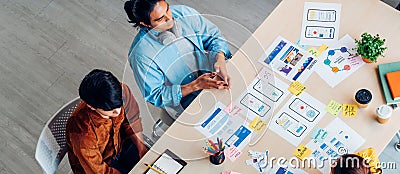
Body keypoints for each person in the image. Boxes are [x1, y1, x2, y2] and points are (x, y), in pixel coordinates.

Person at [124, 0, 232, 117]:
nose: (169, 18)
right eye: (160, 19)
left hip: (217, 78)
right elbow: (155, 96)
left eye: (167, 9)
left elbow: (214, 36)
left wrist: (220, 57)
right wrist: (195, 85)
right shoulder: (141, 54)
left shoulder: (183, 13)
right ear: (145, 24)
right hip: (189, 103)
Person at [66, 69, 147, 174]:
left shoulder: (121, 91)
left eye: (119, 105)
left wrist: (141, 149)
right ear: (91, 106)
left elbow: (132, 120)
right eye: (111, 109)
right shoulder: (82, 130)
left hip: (121, 147)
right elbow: (98, 171)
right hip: (100, 167)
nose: (117, 111)